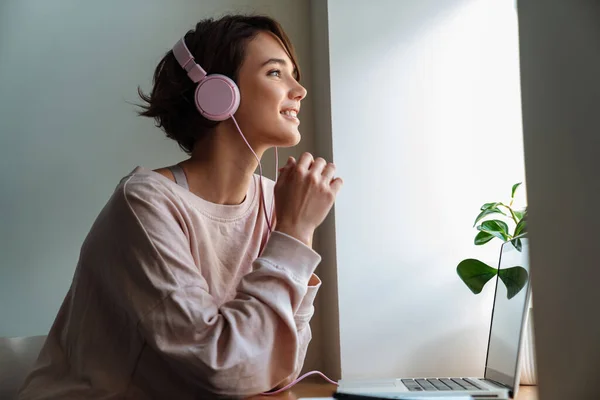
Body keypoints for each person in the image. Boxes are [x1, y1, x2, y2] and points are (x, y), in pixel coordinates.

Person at [18, 14, 343, 399]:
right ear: (219, 93)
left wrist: (295, 232)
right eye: (276, 73)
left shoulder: (277, 204)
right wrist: (294, 234)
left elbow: (276, 367)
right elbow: (220, 368)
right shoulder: (145, 203)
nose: (299, 90)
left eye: (294, 74)